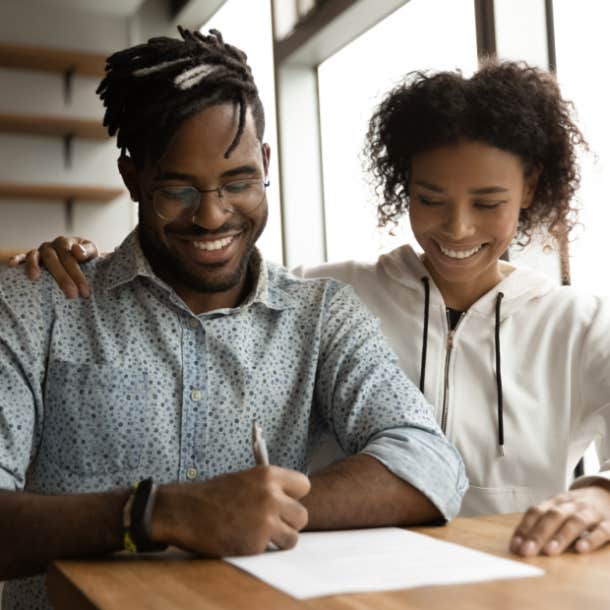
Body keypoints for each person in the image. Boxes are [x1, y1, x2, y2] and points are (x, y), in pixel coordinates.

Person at [27, 60, 610, 559]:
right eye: (431, 199)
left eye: (488, 203)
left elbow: (431, 464)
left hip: (523, 575)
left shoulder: (575, 321)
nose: (457, 227)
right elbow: (203, 269)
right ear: (403, 187)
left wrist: (600, 491)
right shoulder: (329, 293)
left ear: (529, 190)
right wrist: (82, 263)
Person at [0, 28, 468, 610]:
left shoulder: (320, 317)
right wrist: (156, 513)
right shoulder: (38, 302)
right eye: (178, 190)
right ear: (133, 178)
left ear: (266, 162)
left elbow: (430, 464)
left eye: (239, 182)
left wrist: (260, 508)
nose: (212, 216)